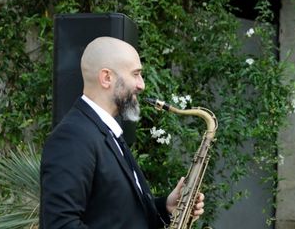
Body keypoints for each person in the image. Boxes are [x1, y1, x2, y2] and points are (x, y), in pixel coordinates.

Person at [40, 36, 205, 228]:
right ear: (107, 78)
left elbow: (117, 215)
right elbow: (61, 224)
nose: (141, 85)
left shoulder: (105, 131)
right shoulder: (72, 137)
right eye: (135, 74)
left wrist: (165, 207)